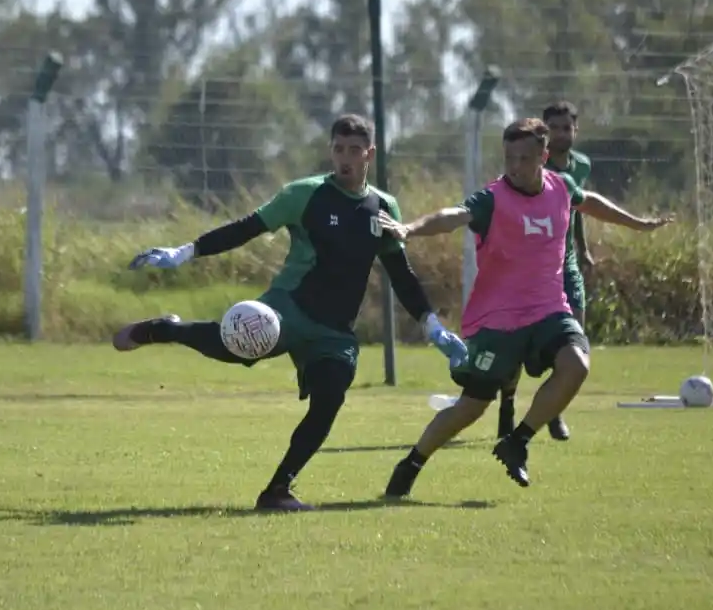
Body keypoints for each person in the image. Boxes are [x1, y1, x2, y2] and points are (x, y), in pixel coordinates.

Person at [113, 113, 468, 512]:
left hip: (335, 330)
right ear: (330, 150)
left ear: (370, 153)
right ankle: (166, 329)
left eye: (354, 150)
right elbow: (247, 227)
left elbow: (400, 274)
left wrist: (431, 325)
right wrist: (185, 252)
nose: (345, 158)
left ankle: (277, 490)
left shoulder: (384, 207)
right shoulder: (305, 194)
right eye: (338, 149)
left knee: (330, 396)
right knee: (233, 349)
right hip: (287, 308)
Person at [380, 118, 672, 496]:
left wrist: (639, 224)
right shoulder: (493, 198)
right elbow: (453, 215)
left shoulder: (561, 186)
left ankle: (517, 441)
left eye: (523, 158)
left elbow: (588, 200)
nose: (514, 166)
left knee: (577, 364)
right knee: (470, 408)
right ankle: (412, 462)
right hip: (498, 321)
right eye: (508, 157)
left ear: (543, 157)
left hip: (550, 310)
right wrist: (409, 229)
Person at [498, 101, 591, 442]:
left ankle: (553, 412)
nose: (562, 134)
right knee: (518, 343)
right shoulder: (528, 171)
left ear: (575, 130)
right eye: (554, 129)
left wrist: (583, 248)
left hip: (566, 264)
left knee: (575, 341)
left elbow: (578, 208)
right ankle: (507, 403)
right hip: (533, 267)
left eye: (567, 127)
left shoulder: (581, 167)